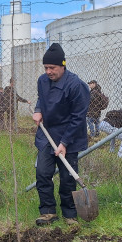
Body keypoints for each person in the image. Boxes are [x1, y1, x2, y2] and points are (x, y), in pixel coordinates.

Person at [32, 43, 90, 226]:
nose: (48, 71)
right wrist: (38, 110)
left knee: (67, 177)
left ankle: (69, 214)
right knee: (42, 173)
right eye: (46, 68)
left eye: (52, 68)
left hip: (69, 136)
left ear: (63, 65)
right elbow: (41, 98)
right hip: (47, 135)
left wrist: (64, 143)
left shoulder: (76, 86)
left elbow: (78, 117)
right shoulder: (42, 81)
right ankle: (48, 212)